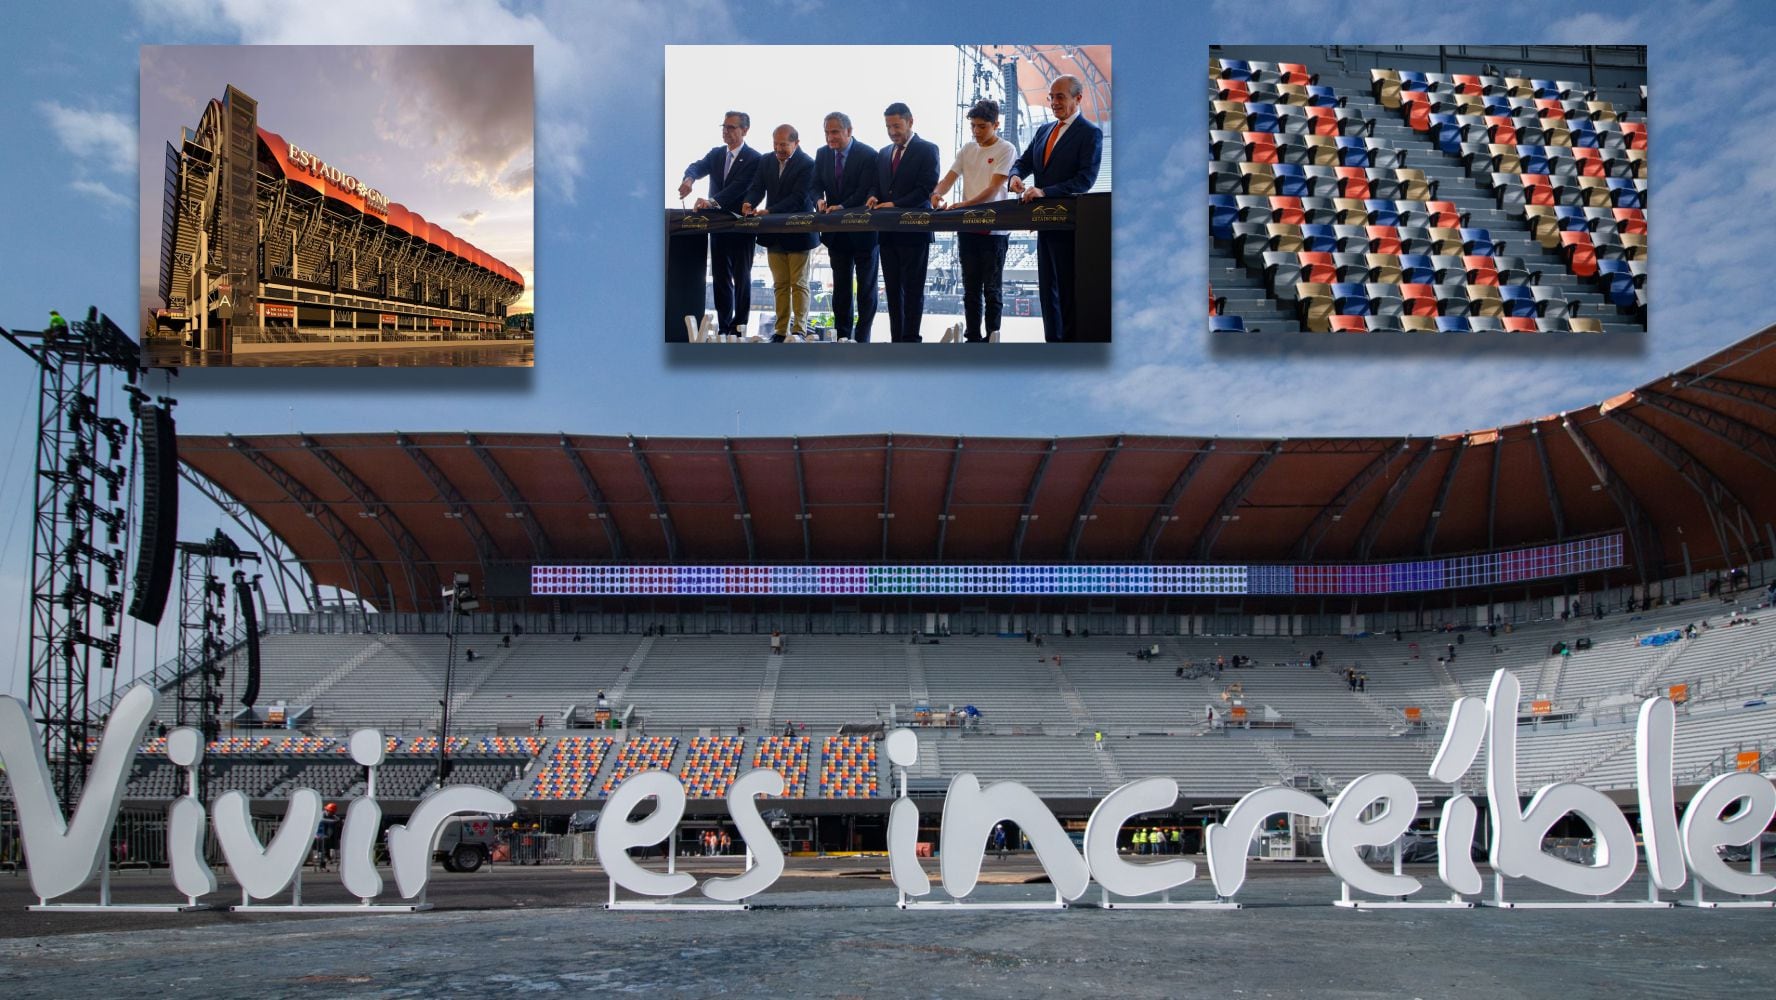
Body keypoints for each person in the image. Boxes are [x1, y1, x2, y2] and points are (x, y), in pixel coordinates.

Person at [1008, 75, 1103, 342]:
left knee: (1067, 292)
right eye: (1051, 97)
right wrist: (1015, 176)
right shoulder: (1043, 130)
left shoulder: (1090, 133)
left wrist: (1045, 192)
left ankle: (1071, 346)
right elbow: (1023, 162)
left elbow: (1085, 180)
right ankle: (1052, 343)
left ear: (1078, 99)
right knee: (1047, 292)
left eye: (1060, 97)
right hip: (1042, 224)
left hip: (1068, 224)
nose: (1053, 102)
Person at [932, 99, 1011, 342]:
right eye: (973, 126)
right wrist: (936, 194)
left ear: (996, 124)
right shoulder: (967, 149)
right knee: (970, 290)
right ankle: (972, 337)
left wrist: (964, 205)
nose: (976, 131)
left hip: (994, 229)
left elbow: (994, 188)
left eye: (982, 126)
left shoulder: (1005, 149)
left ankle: (992, 337)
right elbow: (948, 178)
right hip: (967, 228)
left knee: (992, 290)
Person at [679, 112, 763, 338]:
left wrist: (712, 202)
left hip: (741, 226)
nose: (726, 131)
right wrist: (689, 179)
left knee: (741, 277)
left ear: (745, 130)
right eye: (724, 126)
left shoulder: (755, 158)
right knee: (720, 277)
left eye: (732, 127)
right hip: (716, 227)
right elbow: (696, 166)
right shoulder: (716, 154)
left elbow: (739, 188)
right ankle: (725, 326)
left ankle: (739, 328)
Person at [867, 102, 939, 342]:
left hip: (914, 231)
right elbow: (877, 185)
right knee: (893, 290)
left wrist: (895, 205)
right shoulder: (884, 153)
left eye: (896, 126)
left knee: (912, 289)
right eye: (888, 126)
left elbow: (924, 190)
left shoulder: (928, 150)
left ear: (910, 121)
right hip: (887, 232)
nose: (892, 132)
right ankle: (896, 339)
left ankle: (910, 339)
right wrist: (873, 196)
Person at [743, 124, 821, 341]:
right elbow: (757, 187)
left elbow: (800, 198)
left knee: (799, 283)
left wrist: (769, 211)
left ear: (796, 143)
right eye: (776, 143)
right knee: (779, 284)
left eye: (784, 144)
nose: (779, 148)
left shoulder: (808, 164)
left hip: (799, 233)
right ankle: (780, 331)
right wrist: (749, 202)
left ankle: (799, 330)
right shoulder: (766, 161)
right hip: (773, 233)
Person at [813, 112, 879, 342]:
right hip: (836, 234)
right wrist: (819, 201)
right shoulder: (822, 154)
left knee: (866, 289)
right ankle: (843, 335)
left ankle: (862, 337)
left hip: (863, 232)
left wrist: (841, 206)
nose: (830, 138)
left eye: (834, 132)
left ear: (848, 131)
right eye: (826, 132)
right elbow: (814, 185)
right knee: (840, 289)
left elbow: (865, 190)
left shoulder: (868, 154)